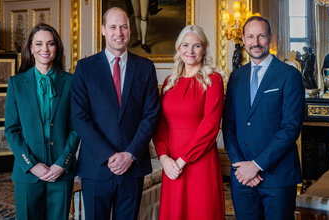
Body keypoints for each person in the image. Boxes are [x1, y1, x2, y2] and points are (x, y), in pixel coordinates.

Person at [71, 7, 160, 220]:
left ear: (130, 30)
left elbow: (151, 115)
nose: (118, 32)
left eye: (123, 27)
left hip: (133, 165)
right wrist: (109, 156)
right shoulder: (85, 68)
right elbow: (80, 117)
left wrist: (129, 155)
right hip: (96, 166)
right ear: (103, 30)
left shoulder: (145, 67)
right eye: (112, 27)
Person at [222, 16, 304, 220]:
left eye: (261, 36)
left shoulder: (288, 75)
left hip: (278, 177)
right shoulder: (236, 77)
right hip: (242, 177)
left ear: (270, 38)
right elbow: (229, 125)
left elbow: (291, 127)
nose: (255, 42)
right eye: (250, 36)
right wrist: (240, 165)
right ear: (243, 39)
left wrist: (256, 165)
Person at [4, 23, 80, 220]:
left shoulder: (72, 82)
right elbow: (11, 130)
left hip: (61, 171)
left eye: (50, 44)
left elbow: (77, 127)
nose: (44, 49)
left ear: (57, 48)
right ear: (30, 48)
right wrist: (31, 165)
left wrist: (62, 163)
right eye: (38, 44)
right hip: (27, 172)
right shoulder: (16, 83)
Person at [153, 25, 225, 220]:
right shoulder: (169, 82)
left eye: (197, 46)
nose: (190, 51)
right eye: (185, 45)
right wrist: (164, 158)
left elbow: (210, 127)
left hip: (199, 162)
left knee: (201, 212)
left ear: (204, 49)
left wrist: (182, 160)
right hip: (172, 165)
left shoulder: (213, 80)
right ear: (178, 48)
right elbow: (160, 125)